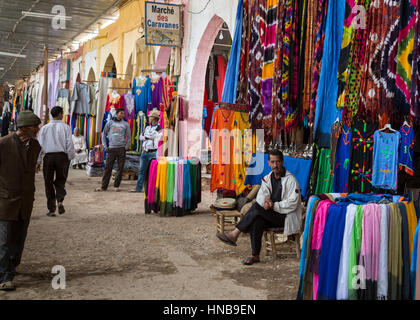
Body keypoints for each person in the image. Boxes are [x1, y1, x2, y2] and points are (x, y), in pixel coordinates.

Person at [216, 149, 302, 265]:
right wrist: (266, 202)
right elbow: (261, 196)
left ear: (282, 162)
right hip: (271, 215)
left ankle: (235, 234)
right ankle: (255, 255)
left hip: (286, 217)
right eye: (272, 162)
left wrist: (273, 205)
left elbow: (293, 203)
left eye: (278, 162)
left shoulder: (291, 180)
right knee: (257, 218)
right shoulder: (267, 178)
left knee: (256, 207)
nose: (275, 165)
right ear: (269, 163)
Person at [0, 110, 41, 291]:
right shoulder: (4, 144)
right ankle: (4, 276)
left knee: (19, 239)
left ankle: (11, 267)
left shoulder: (35, 146)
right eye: (34, 126)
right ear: (23, 128)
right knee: (4, 241)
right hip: (5, 201)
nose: (37, 129)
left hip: (25, 201)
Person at [38, 106, 75, 217]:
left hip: (48, 157)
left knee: (48, 182)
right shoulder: (66, 127)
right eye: (62, 113)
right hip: (61, 157)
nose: (62, 115)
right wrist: (70, 157)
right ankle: (60, 201)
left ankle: (52, 210)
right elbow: (69, 144)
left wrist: (38, 161)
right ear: (59, 114)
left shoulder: (44, 128)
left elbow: (39, 146)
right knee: (60, 180)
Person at [96, 108, 131, 192]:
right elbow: (103, 134)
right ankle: (104, 187)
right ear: (117, 113)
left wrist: (126, 147)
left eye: (123, 113)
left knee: (120, 168)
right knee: (108, 168)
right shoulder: (110, 123)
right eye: (121, 113)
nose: (122, 115)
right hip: (111, 148)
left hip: (121, 149)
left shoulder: (125, 124)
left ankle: (116, 186)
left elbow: (129, 137)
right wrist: (105, 146)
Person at [130, 109, 162, 193]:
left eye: (150, 117)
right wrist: (146, 136)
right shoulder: (147, 127)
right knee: (141, 171)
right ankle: (139, 188)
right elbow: (140, 136)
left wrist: (145, 136)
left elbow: (152, 136)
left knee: (152, 172)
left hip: (153, 152)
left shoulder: (159, 128)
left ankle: (152, 189)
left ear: (154, 118)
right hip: (144, 152)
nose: (149, 118)